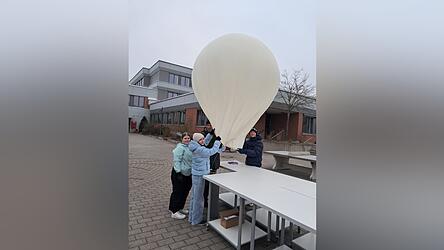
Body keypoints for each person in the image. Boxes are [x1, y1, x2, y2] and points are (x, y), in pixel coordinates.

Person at [188, 132, 224, 225]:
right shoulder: (199, 150)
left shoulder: (195, 146)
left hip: (197, 174)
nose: (203, 140)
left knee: (194, 197)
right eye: (200, 139)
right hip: (200, 175)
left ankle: (192, 218)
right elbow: (211, 151)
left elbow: (205, 143)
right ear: (197, 141)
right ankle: (196, 220)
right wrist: (217, 141)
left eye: (203, 138)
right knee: (199, 199)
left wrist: (210, 135)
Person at [168, 133, 193, 219]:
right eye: (185, 138)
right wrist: (178, 172)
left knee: (184, 192)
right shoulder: (180, 148)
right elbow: (177, 161)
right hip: (179, 174)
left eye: (188, 138)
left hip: (187, 174)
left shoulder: (190, 147)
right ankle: (174, 211)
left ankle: (179, 208)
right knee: (177, 192)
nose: (187, 140)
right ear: (182, 139)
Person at [201, 121, 220, 207]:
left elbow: (222, 148)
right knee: (205, 184)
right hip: (206, 162)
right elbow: (204, 143)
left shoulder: (218, 135)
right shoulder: (203, 134)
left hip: (214, 162)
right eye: (208, 125)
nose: (209, 127)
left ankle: (210, 200)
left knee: (212, 184)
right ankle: (204, 200)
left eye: (211, 125)